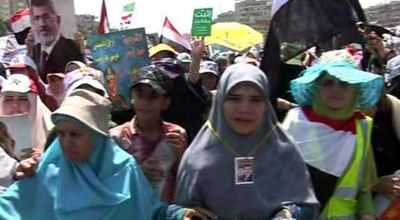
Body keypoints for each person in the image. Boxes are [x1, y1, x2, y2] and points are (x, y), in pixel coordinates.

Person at [0, 89, 213, 220]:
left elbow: (149, 210)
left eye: (75, 134)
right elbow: (9, 207)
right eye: (61, 134)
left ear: (97, 137)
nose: (66, 143)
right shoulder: (48, 169)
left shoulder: (124, 170)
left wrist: (179, 215)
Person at [176, 63, 319, 220]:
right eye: (234, 98)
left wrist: (289, 215)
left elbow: (307, 205)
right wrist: (189, 214)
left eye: (256, 100)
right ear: (220, 102)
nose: (245, 108)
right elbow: (182, 208)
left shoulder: (283, 150)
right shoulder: (197, 156)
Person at [282, 59, 384, 220]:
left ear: (356, 90)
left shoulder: (363, 126)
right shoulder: (296, 121)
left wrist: (367, 214)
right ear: (316, 87)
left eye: (345, 84)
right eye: (327, 83)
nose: (336, 89)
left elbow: (363, 186)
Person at [110, 66, 187, 203]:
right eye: (140, 95)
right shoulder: (117, 137)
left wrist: (181, 155)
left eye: (153, 96)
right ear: (132, 98)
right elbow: (109, 181)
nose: (145, 102)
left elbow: (186, 177)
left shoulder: (176, 135)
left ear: (165, 103)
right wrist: (137, 173)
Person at [30, 0, 83, 83]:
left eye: (46, 17)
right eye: (37, 18)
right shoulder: (35, 50)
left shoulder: (71, 46)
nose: (42, 24)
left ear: (58, 20)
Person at [0, 74, 53, 158]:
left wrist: (45, 157)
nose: (15, 104)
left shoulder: (53, 132)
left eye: (22, 98)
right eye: (9, 99)